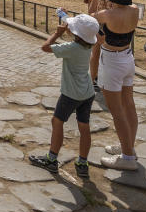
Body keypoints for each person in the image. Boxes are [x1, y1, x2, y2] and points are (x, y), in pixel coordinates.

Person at [28, 13, 100, 178]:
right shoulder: (87, 47)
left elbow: (45, 47)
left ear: (76, 34)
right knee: (84, 127)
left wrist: (57, 33)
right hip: (87, 92)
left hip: (71, 94)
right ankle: (82, 163)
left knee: (57, 121)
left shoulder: (71, 48)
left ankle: (51, 159)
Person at [92, 0, 141, 171]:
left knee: (117, 111)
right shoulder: (135, 9)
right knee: (129, 105)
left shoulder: (108, 14)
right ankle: (128, 145)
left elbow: (92, 16)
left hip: (112, 60)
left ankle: (127, 157)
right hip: (128, 58)